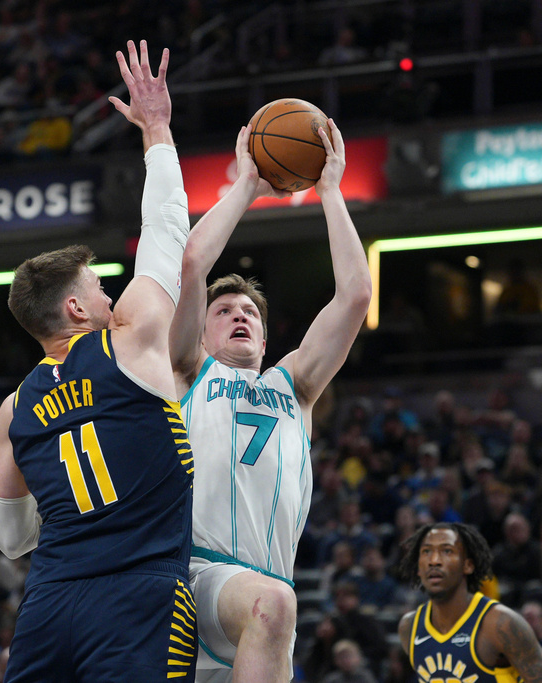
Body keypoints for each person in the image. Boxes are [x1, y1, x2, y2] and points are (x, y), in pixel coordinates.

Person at [0, 40, 196, 682]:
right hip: (139, 595)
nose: (110, 295)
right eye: (98, 288)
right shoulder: (129, 342)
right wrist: (157, 130)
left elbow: (12, 539)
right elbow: (166, 230)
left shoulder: (13, 409)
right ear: (76, 311)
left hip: (50, 606)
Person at [170, 116, 371, 681]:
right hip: (197, 581)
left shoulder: (295, 386)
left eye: (250, 312)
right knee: (275, 605)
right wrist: (247, 187)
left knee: (276, 605)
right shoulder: (188, 371)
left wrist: (329, 190)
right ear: (203, 333)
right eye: (225, 311)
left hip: (266, 595)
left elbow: (355, 293)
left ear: (264, 337)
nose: (240, 315)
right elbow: (191, 265)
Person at [397, 522, 542, 681]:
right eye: (426, 551)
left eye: (447, 551)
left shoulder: (500, 624)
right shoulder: (409, 627)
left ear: (468, 565)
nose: (434, 561)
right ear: (418, 568)